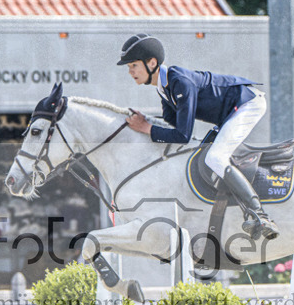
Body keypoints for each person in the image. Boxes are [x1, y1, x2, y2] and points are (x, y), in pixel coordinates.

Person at [116, 34, 279, 240]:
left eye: (133, 66)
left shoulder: (180, 82)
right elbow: (172, 125)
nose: (130, 72)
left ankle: (259, 215)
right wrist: (145, 122)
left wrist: (146, 128)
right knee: (205, 155)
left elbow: (182, 135)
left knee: (215, 157)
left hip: (247, 104)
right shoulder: (164, 88)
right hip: (230, 111)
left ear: (152, 63)